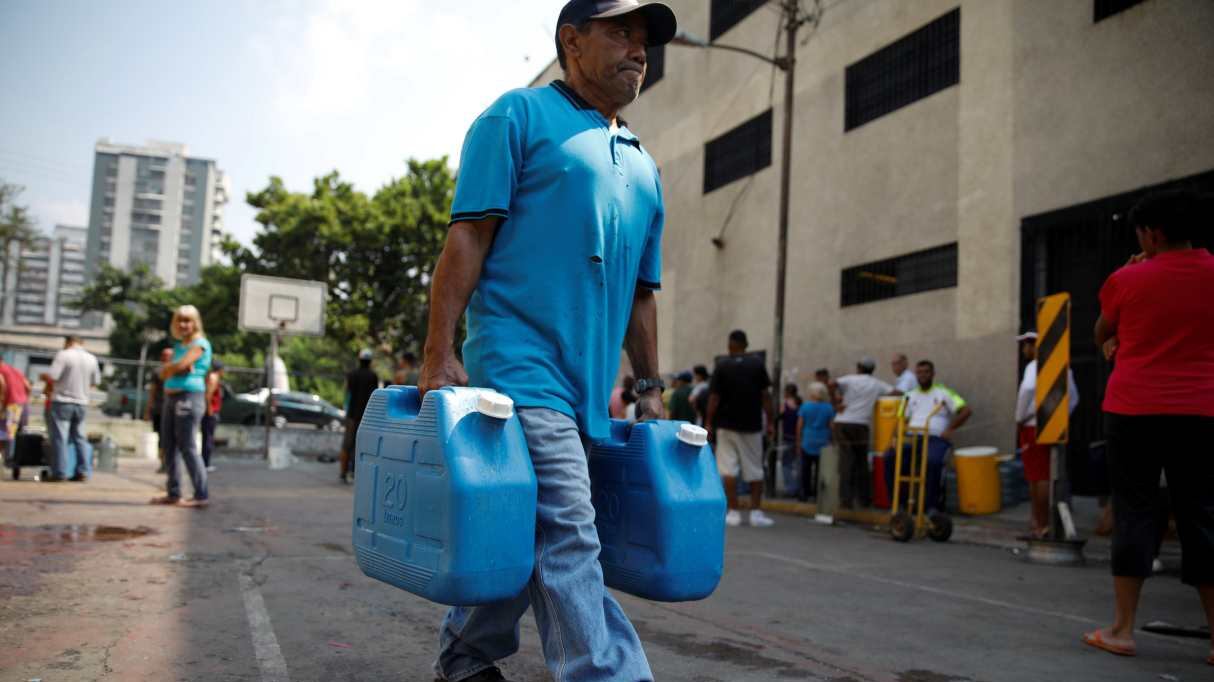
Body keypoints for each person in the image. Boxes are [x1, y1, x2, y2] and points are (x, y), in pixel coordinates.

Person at [417, 1, 676, 678]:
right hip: (518, 370)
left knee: (520, 528)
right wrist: (438, 352)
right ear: (573, 41)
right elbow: (468, 235)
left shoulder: (645, 167)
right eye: (620, 32)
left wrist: (649, 388)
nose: (638, 49)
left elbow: (640, 295)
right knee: (568, 531)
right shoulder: (518, 116)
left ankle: (467, 657)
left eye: (643, 39)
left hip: (592, 393)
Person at [1082, 190, 1214, 665]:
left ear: (1152, 233)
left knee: (1136, 510)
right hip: (1202, 408)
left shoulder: (1127, 278)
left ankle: (1121, 629)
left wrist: (1134, 273)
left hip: (1135, 408)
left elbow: (1101, 332)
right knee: (1201, 512)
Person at [706, 329, 776, 527]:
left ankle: (733, 512)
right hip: (751, 424)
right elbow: (766, 396)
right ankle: (755, 513)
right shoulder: (757, 364)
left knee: (728, 469)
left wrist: (709, 422)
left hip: (726, 425)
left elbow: (714, 398)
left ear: (729, 346)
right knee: (755, 470)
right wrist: (770, 421)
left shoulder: (722, 365)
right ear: (746, 345)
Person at [883, 360, 972, 514]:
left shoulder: (945, 392)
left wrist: (950, 429)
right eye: (919, 372)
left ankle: (932, 507)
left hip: (935, 438)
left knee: (933, 462)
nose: (922, 375)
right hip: (912, 437)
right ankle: (900, 505)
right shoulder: (908, 396)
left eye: (926, 372)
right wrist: (894, 439)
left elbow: (966, 410)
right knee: (890, 457)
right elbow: (901, 420)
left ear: (932, 374)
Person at [1014, 330, 1079, 538]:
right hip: (1055, 426)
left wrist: (1019, 416)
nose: (1024, 349)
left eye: (1027, 345)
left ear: (1034, 345)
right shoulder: (1063, 366)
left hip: (1032, 425)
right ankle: (1045, 522)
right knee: (1049, 475)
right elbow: (1074, 399)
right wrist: (1059, 416)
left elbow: (1028, 389)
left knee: (1037, 476)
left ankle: (1040, 524)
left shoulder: (1034, 365)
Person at [150, 305, 211, 508]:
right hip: (170, 398)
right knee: (168, 446)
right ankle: (173, 493)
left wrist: (172, 368)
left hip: (189, 397)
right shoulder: (179, 346)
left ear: (195, 322)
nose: (183, 324)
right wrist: (173, 369)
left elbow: (181, 366)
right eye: (180, 320)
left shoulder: (200, 344)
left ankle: (201, 495)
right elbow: (172, 369)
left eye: (188, 320)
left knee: (187, 446)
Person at [830, 357, 894, 509]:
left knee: (846, 462)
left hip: (843, 422)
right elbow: (897, 392)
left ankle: (846, 500)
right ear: (873, 369)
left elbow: (831, 383)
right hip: (862, 425)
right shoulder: (877, 384)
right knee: (861, 463)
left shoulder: (850, 379)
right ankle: (864, 500)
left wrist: (835, 402)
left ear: (858, 367)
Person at [40, 336, 100, 482]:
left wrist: (43, 376)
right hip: (82, 403)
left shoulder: (64, 355)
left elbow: (53, 377)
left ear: (68, 342)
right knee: (80, 438)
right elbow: (95, 382)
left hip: (62, 401)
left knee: (60, 438)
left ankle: (59, 472)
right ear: (82, 343)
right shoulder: (91, 358)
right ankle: (83, 471)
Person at [340, 349, 380, 484]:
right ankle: (357, 473)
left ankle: (343, 473)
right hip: (366, 416)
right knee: (362, 445)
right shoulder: (373, 376)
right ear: (370, 361)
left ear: (359, 360)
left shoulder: (351, 375)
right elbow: (373, 396)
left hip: (351, 415)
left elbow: (347, 394)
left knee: (347, 444)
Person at [796, 382, 835, 502]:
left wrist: (798, 441)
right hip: (823, 442)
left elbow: (799, 425)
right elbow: (831, 426)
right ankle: (818, 495)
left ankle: (804, 493)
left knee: (805, 470)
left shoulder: (805, 407)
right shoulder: (828, 408)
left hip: (807, 441)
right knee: (820, 471)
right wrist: (832, 441)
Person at [0, 355, 32, 464]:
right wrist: (24, 397)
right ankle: (15, 458)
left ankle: (9, 458)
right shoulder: (15, 370)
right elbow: (28, 386)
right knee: (18, 431)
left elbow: (2, 385)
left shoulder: (1, 370)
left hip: (11, 404)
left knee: (8, 432)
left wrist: (3, 403)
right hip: (23, 404)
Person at [145, 347, 173, 473]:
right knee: (162, 437)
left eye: (168, 355)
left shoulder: (176, 370)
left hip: (172, 409)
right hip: (159, 409)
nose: (166, 357)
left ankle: (170, 462)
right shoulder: (157, 371)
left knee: (171, 437)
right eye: (164, 355)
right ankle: (163, 463)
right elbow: (153, 391)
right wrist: (148, 409)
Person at [777, 383, 802, 498]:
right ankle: (798, 487)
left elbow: (779, 417)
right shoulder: (800, 404)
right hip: (799, 438)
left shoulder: (785, 404)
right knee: (798, 463)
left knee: (786, 464)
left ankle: (791, 489)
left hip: (787, 437)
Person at [201, 358, 225, 473]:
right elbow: (208, 395)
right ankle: (205, 463)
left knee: (207, 437)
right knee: (208, 438)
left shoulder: (212, 377)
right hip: (211, 412)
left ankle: (205, 462)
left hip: (211, 411)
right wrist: (210, 410)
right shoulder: (213, 378)